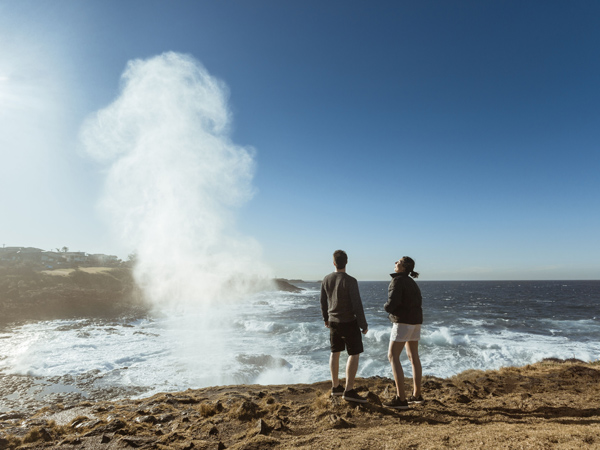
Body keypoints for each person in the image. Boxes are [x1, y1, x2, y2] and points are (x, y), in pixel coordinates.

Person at [320, 250, 369, 403]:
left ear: (334, 262)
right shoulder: (351, 281)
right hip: (348, 321)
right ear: (346, 262)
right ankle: (348, 390)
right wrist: (363, 324)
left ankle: (335, 387)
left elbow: (323, 301)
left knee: (335, 352)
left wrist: (326, 318)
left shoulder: (326, 279)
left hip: (333, 321)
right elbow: (357, 305)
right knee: (353, 354)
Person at [383, 256, 423, 410]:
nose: (395, 263)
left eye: (398, 262)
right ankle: (417, 395)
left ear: (404, 267)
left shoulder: (397, 281)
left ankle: (401, 399)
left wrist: (386, 307)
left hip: (403, 322)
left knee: (393, 356)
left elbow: (392, 303)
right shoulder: (412, 283)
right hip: (416, 321)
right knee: (413, 357)